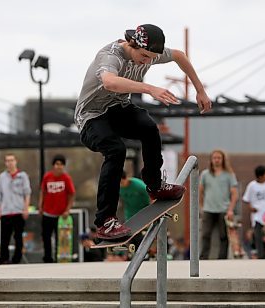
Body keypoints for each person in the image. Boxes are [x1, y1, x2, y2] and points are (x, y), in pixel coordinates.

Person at [74, 24, 212, 239]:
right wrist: (150, 88)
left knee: (149, 128)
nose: (146, 61)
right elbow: (110, 82)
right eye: (144, 56)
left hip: (117, 109)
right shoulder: (111, 56)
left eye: (151, 58)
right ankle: (105, 221)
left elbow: (179, 56)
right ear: (132, 44)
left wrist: (200, 90)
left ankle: (155, 185)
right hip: (91, 116)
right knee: (116, 149)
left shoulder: (151, 54)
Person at [199, 149, 238, 259]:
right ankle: (203, 257)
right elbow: (200, 192)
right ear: (211, 160)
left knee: (223, 236)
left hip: (223, 209)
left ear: (223, 159)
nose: (217, 160)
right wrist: (202, 206)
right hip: (208, 209)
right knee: (205, 234)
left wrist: (230, 209)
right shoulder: (205, 174)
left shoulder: (229, 174)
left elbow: (235, 194)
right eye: (214, 158)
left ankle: (222, 258)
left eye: (219, 158)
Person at [38, 154, 76, 263]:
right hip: (47, 213)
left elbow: (72, 194)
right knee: (46, 237)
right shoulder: (47, 177)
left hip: (61, 215)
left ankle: (59, 257)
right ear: (53, 165)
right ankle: (47, 258)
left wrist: (67, 210)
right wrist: (40, 206)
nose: (58, 166)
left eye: (61, 164)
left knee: (61, 238)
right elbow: (42, 192)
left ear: (63, 166)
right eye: (57, 164)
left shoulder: (66, 178)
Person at [0, 153, 31, 264]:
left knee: (18, 237)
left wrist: (26, 208)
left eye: (12, 160)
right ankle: (3, 259)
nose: (10, 163)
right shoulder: (2, 177)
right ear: (5, 163)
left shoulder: (22, 176)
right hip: (6, 211)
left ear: (16, 161)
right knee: (4, 238)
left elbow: (27, 193)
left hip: (18, 210)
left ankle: (17, 259)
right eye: (7, 161)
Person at [242, 165, 265, 259]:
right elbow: (247, 200)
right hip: (257, 216)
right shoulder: (252, 185)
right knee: (258, 236)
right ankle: (261, 255)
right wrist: (251, 208)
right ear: (260, 176)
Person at [119, 171, 151, 249]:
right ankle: (134, 252)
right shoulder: (118, 188)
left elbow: (151, 195)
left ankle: (146, 250)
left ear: (126, 178)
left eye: (122, 182)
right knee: (133, 236)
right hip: (130, 214)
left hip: (144, 212)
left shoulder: (138, 185)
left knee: (142, 235)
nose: (121, 185)